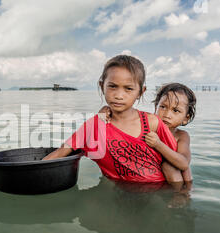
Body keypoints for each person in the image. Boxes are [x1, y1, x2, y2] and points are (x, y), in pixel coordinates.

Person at [42, 55, 178, 185]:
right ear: (102, 86)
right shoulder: (94, 126)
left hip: (158, 190)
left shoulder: (151, 123)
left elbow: (177, 163)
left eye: (128, 89)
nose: (119, 95)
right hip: (122, 193)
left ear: (140, 92)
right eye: (112, 86)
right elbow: (60, 153)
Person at [99, 83, 196, 192]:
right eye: (163, 107)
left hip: (172, 180)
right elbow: (128, 118)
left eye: (175, 110)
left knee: (171, 167)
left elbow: (183, 164)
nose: (167, 114)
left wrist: (158, 144)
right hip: (146, 175)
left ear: (186, 118)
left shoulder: (181, 135)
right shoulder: (149, 124)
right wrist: (107, 111)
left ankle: (182, 195)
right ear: (156, 107)